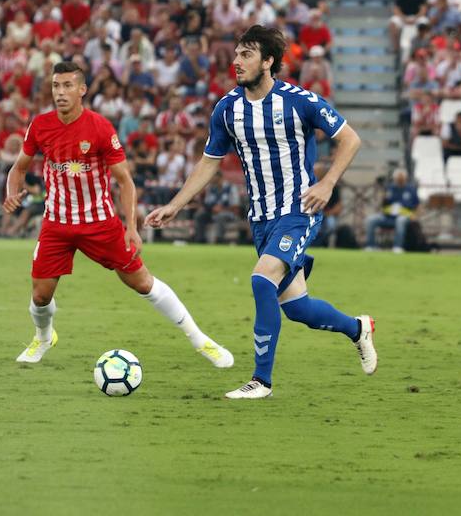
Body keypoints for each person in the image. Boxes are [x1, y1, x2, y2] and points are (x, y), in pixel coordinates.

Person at [145, 26, 377, 399]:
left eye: (247, 54)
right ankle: (357, 328)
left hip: (299, 210)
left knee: (261, 279)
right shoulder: (227, 109)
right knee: (298, 308)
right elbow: (209, 162)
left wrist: (327, 183)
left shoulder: (300, 101)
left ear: (268, 61)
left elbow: (350, 139)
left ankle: (261, 381)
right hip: (262, 219)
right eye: (237, 53)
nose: (236, 61)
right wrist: (175, 204)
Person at [2, 62, 232, 369]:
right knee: (41, 296)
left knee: (142, 283)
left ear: (82, 90)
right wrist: (11, 191)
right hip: (56, 224)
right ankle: (44, 338)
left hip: (99, 222)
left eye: (68, 85)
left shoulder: (99, 128)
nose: (61, 92)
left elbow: (125, 181)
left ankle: (200, 340)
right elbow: (18, 168)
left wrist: (131, 227)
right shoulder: (40, 126)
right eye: (56, 86)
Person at [363, 168, 419, 254]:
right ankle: (371, 246)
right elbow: (381, 204)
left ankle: (397, 247)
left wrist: (415, 215)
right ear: (395, 179)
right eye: (398, 179)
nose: (400, 181)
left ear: (405, 179)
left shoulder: (411, 189)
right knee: (370, 220)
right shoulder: (389, 188)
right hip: (387, 216)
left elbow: (418, 205)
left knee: (400, 220)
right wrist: (382, 196)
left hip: (404, 217)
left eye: (401, 179)